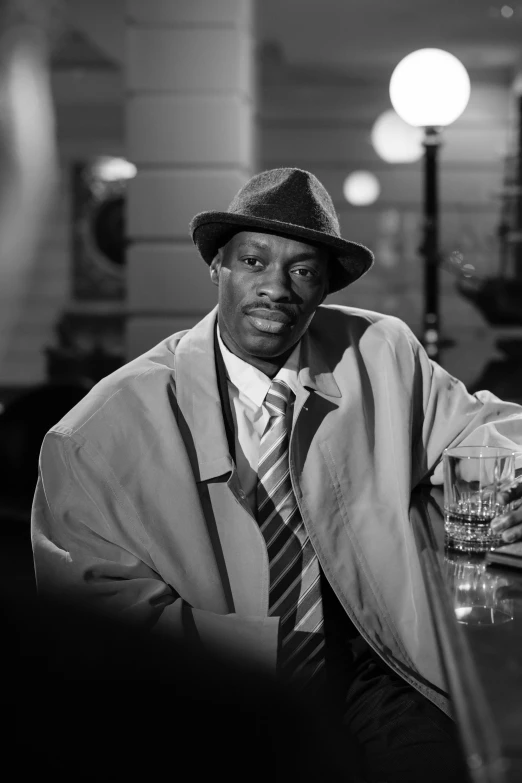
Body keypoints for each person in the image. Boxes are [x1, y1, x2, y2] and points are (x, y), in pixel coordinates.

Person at [32, 167, 522, 782]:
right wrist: (257, 667)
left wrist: (493, 503)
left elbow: (490, 431)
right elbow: (101, 620)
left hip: (382, 659)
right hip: (215, 694)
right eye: (255, 262)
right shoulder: (97, 433)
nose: (277, 288)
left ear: (323, 288)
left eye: (302, 270)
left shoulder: (380, 351)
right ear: (217, 267)